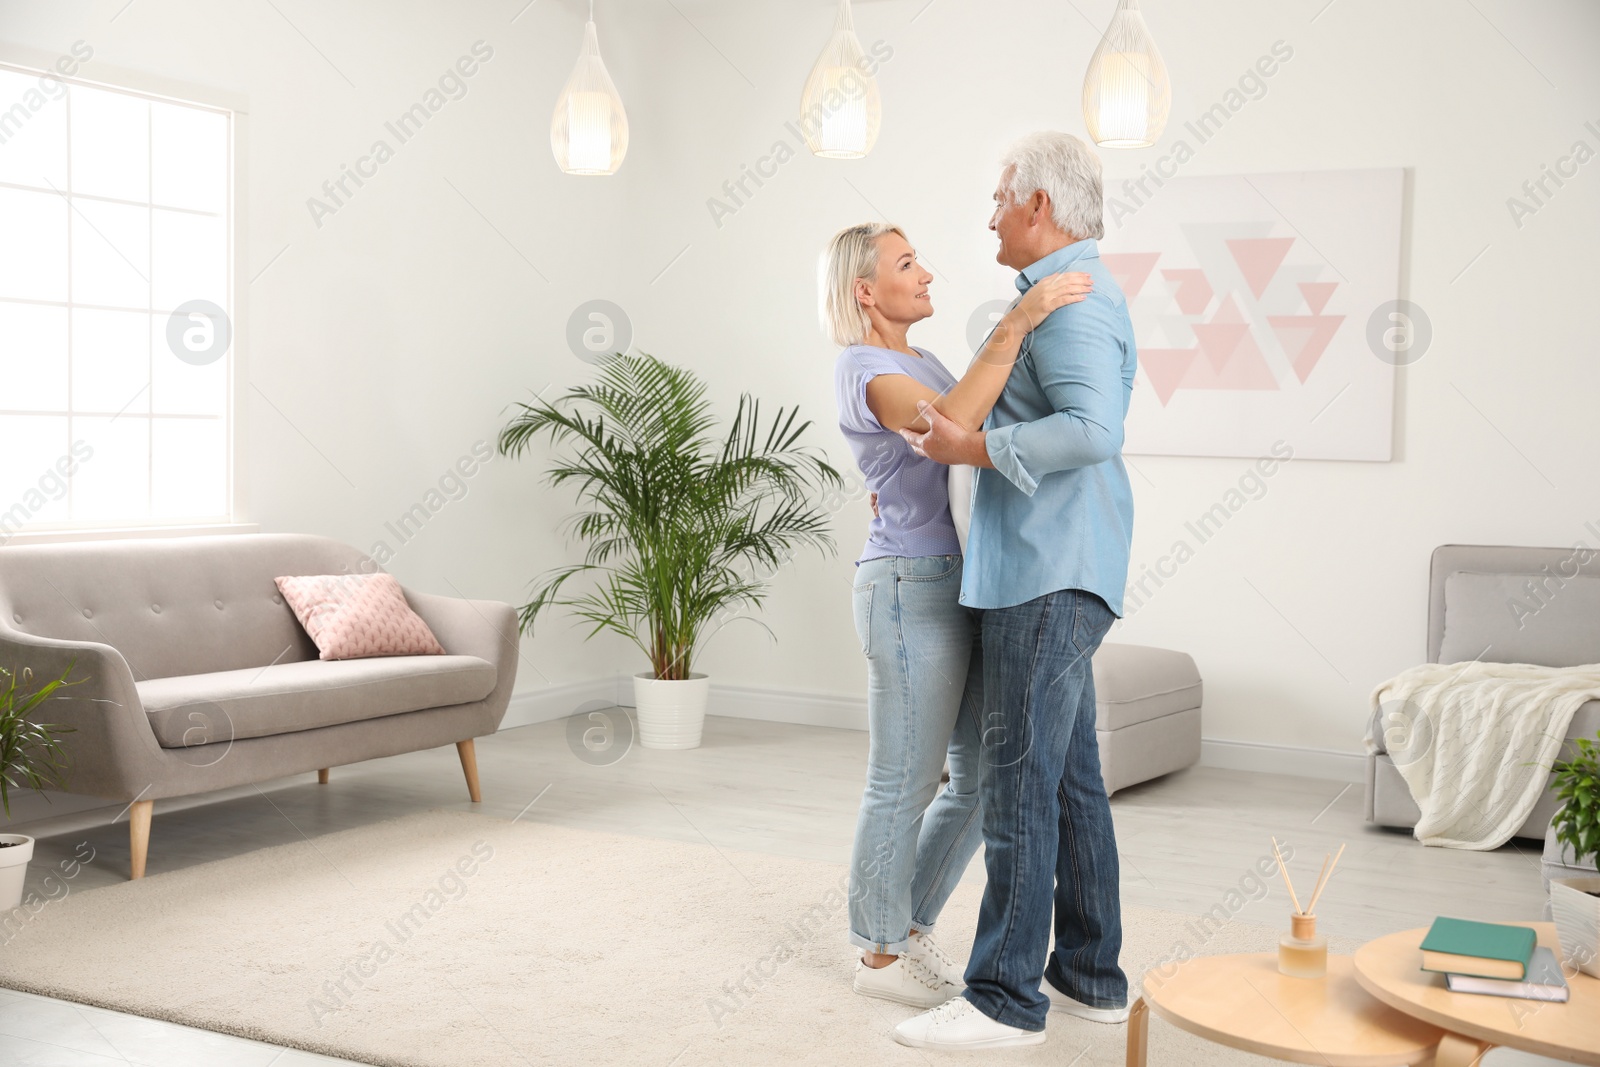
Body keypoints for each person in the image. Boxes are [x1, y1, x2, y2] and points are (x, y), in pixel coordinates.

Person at [891, 132, 1138, 1050]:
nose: (989, 212)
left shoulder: (1069, 301)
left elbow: (1092, 429)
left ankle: (1003, 998)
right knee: (1068, 780)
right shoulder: (1061, 294)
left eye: (1000, 196)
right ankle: (1089, 976)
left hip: (1049, 572)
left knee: (1017, 781)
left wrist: (980, 448)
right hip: (1054, 567)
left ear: (1040, 205)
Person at [823, 222, 1091, 1009]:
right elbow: (951, 429)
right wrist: (1017, 319)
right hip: (907, 585)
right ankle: (877, 947)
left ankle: (905, 922)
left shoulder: (921, 360)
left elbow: (966, 425)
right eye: (908, 264)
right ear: (865, 290)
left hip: (960, 578)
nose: (928, 273)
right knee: (903, 778)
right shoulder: (865, 367)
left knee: (978, 777)